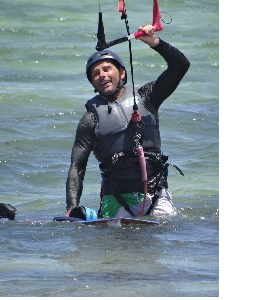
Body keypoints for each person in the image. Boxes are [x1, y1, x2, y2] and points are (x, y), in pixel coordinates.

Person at [65, 24, 190, 220]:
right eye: (96, 73)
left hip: (156, 194)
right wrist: (71, 207)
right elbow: (77, 167)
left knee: (166, 234)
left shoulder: (147, 98)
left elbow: (180, 66)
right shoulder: (89, 120)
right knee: (118, 239)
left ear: (122, 73)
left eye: (107, 69)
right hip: (116, 199)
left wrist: (154, 43)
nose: (102, 75)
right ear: (93, 83)